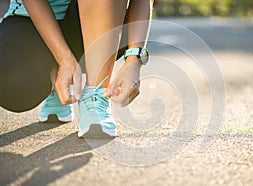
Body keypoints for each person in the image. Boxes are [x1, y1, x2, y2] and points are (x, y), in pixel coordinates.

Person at [0, 0, 152, 137]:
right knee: (8, 82)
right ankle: (55, 78)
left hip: (97, 21)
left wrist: (134, 58)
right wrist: (64, 59)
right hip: (30, 22)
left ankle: (95, 93)